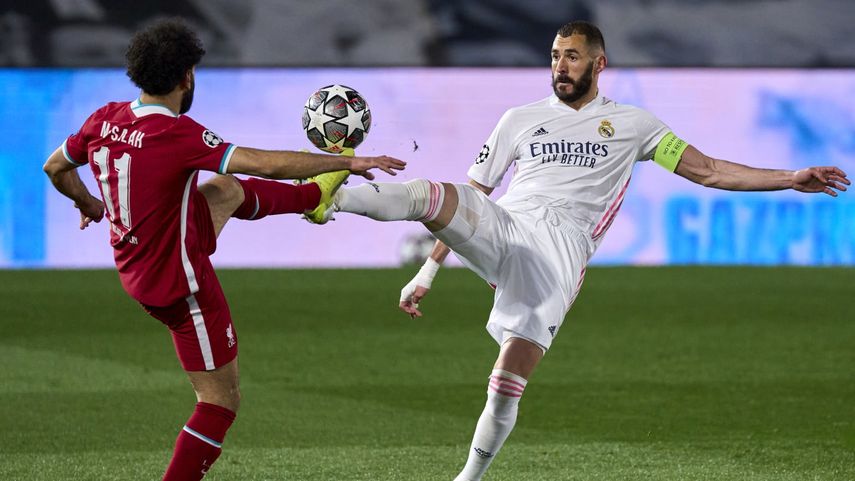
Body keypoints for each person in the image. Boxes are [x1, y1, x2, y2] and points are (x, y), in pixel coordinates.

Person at [305, 20, 850, 481]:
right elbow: (474, 197)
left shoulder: (634, 125)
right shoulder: (518, 119)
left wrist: (789, 177)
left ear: (598, 63)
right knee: (435, 194)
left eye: (571, 56)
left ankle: (468, 478)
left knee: (506, 382)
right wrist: (427, 272)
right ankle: (327, 197)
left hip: (558, 255)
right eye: (554, 56)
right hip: (507, 224)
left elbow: (707, 170)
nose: (560, 66)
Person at [41, 18, 405, 481]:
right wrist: (346, 162)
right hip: (178, 285)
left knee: (224, 190)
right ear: (187, 76)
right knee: (220, 401)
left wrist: (88, 202)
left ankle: (313, 198)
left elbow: (54, 167)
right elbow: (265, 164)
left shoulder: (103, 119)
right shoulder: (178, 135)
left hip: (137, 259)